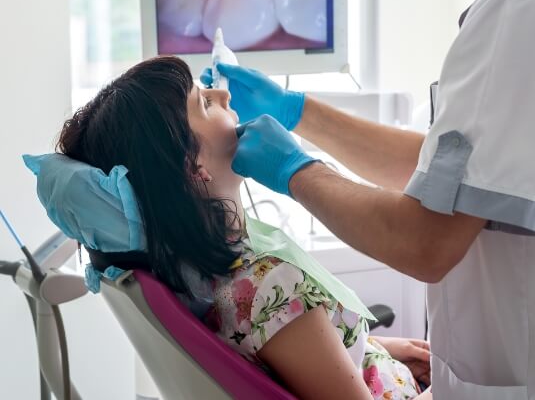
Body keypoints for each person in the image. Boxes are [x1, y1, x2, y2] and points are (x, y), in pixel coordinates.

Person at [201, 0, 535, 398]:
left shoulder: (515, 10)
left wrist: (296, 171)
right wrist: (297, 112)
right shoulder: (518, 0)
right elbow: (454, 176)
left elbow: (426, 243)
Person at [56, 56, 431, 400]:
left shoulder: (208, 278)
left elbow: (293, 356)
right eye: (204, 102)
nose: (223, 93)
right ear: (192, 166)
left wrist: (372, 350)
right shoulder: (269, 286)